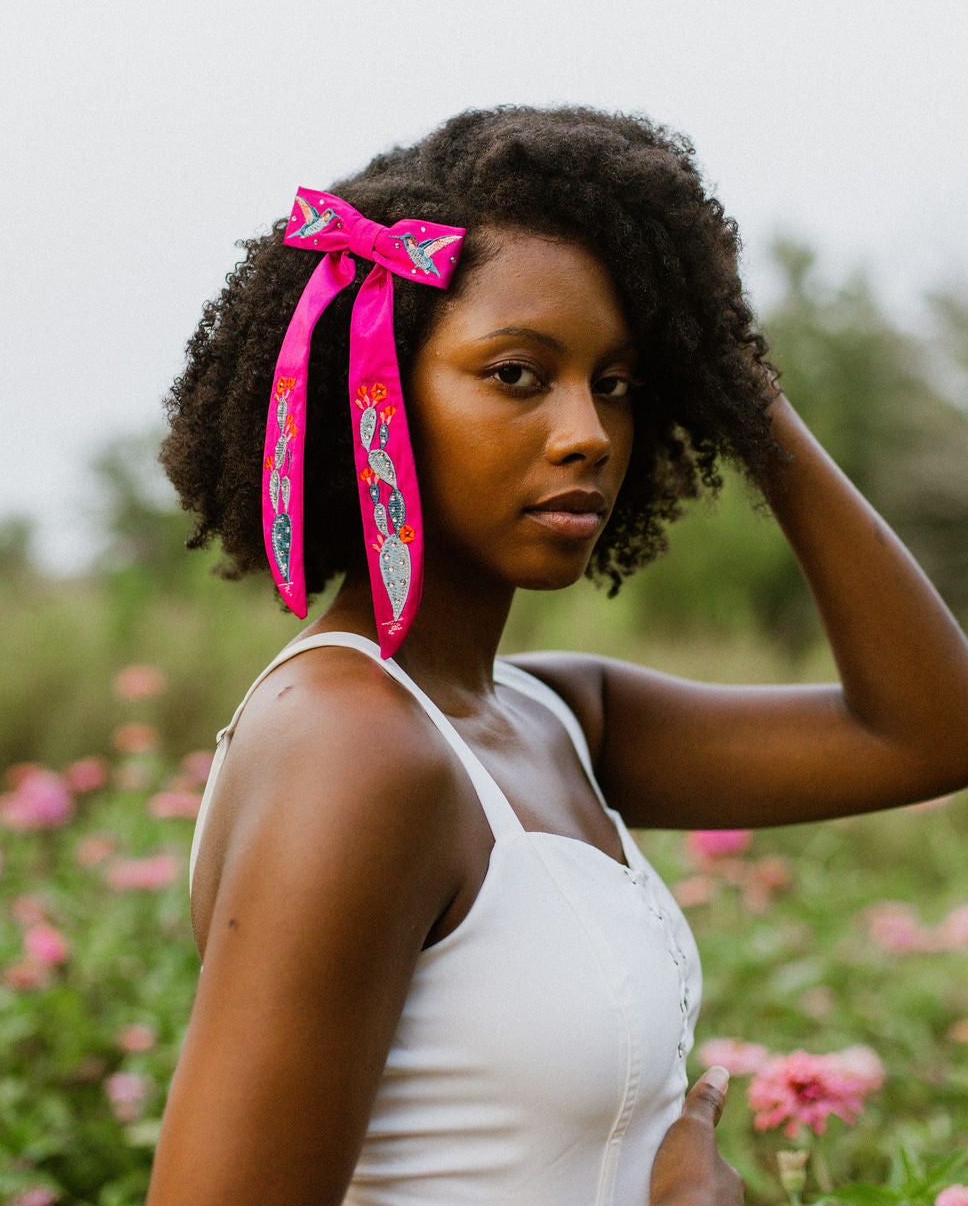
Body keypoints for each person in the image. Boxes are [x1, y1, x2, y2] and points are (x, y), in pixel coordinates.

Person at [146, 106, 968, 1206]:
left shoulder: (550, 715)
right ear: (374, 396)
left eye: (618, 381)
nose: (588, 431)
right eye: (518, 374)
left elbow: (925, 729)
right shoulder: (356, 746)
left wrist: (734, 380)